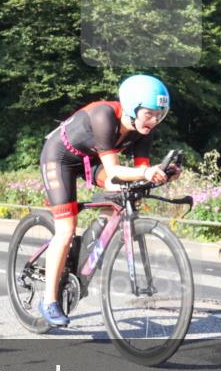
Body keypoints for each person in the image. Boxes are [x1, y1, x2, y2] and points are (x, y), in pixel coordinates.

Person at [37, 75, 179, 328]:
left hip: (92, 160)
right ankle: (49, 300)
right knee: (66, 229)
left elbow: (139, 174)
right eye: (149, 114)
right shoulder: (104, 116)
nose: (154, 120)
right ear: (131, 107)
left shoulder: (143, 130)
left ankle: (83, 256)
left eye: (160, 115)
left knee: (123, 194)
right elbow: (114, 171)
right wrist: (146, 173)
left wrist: (161, 175)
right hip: (60, 158)